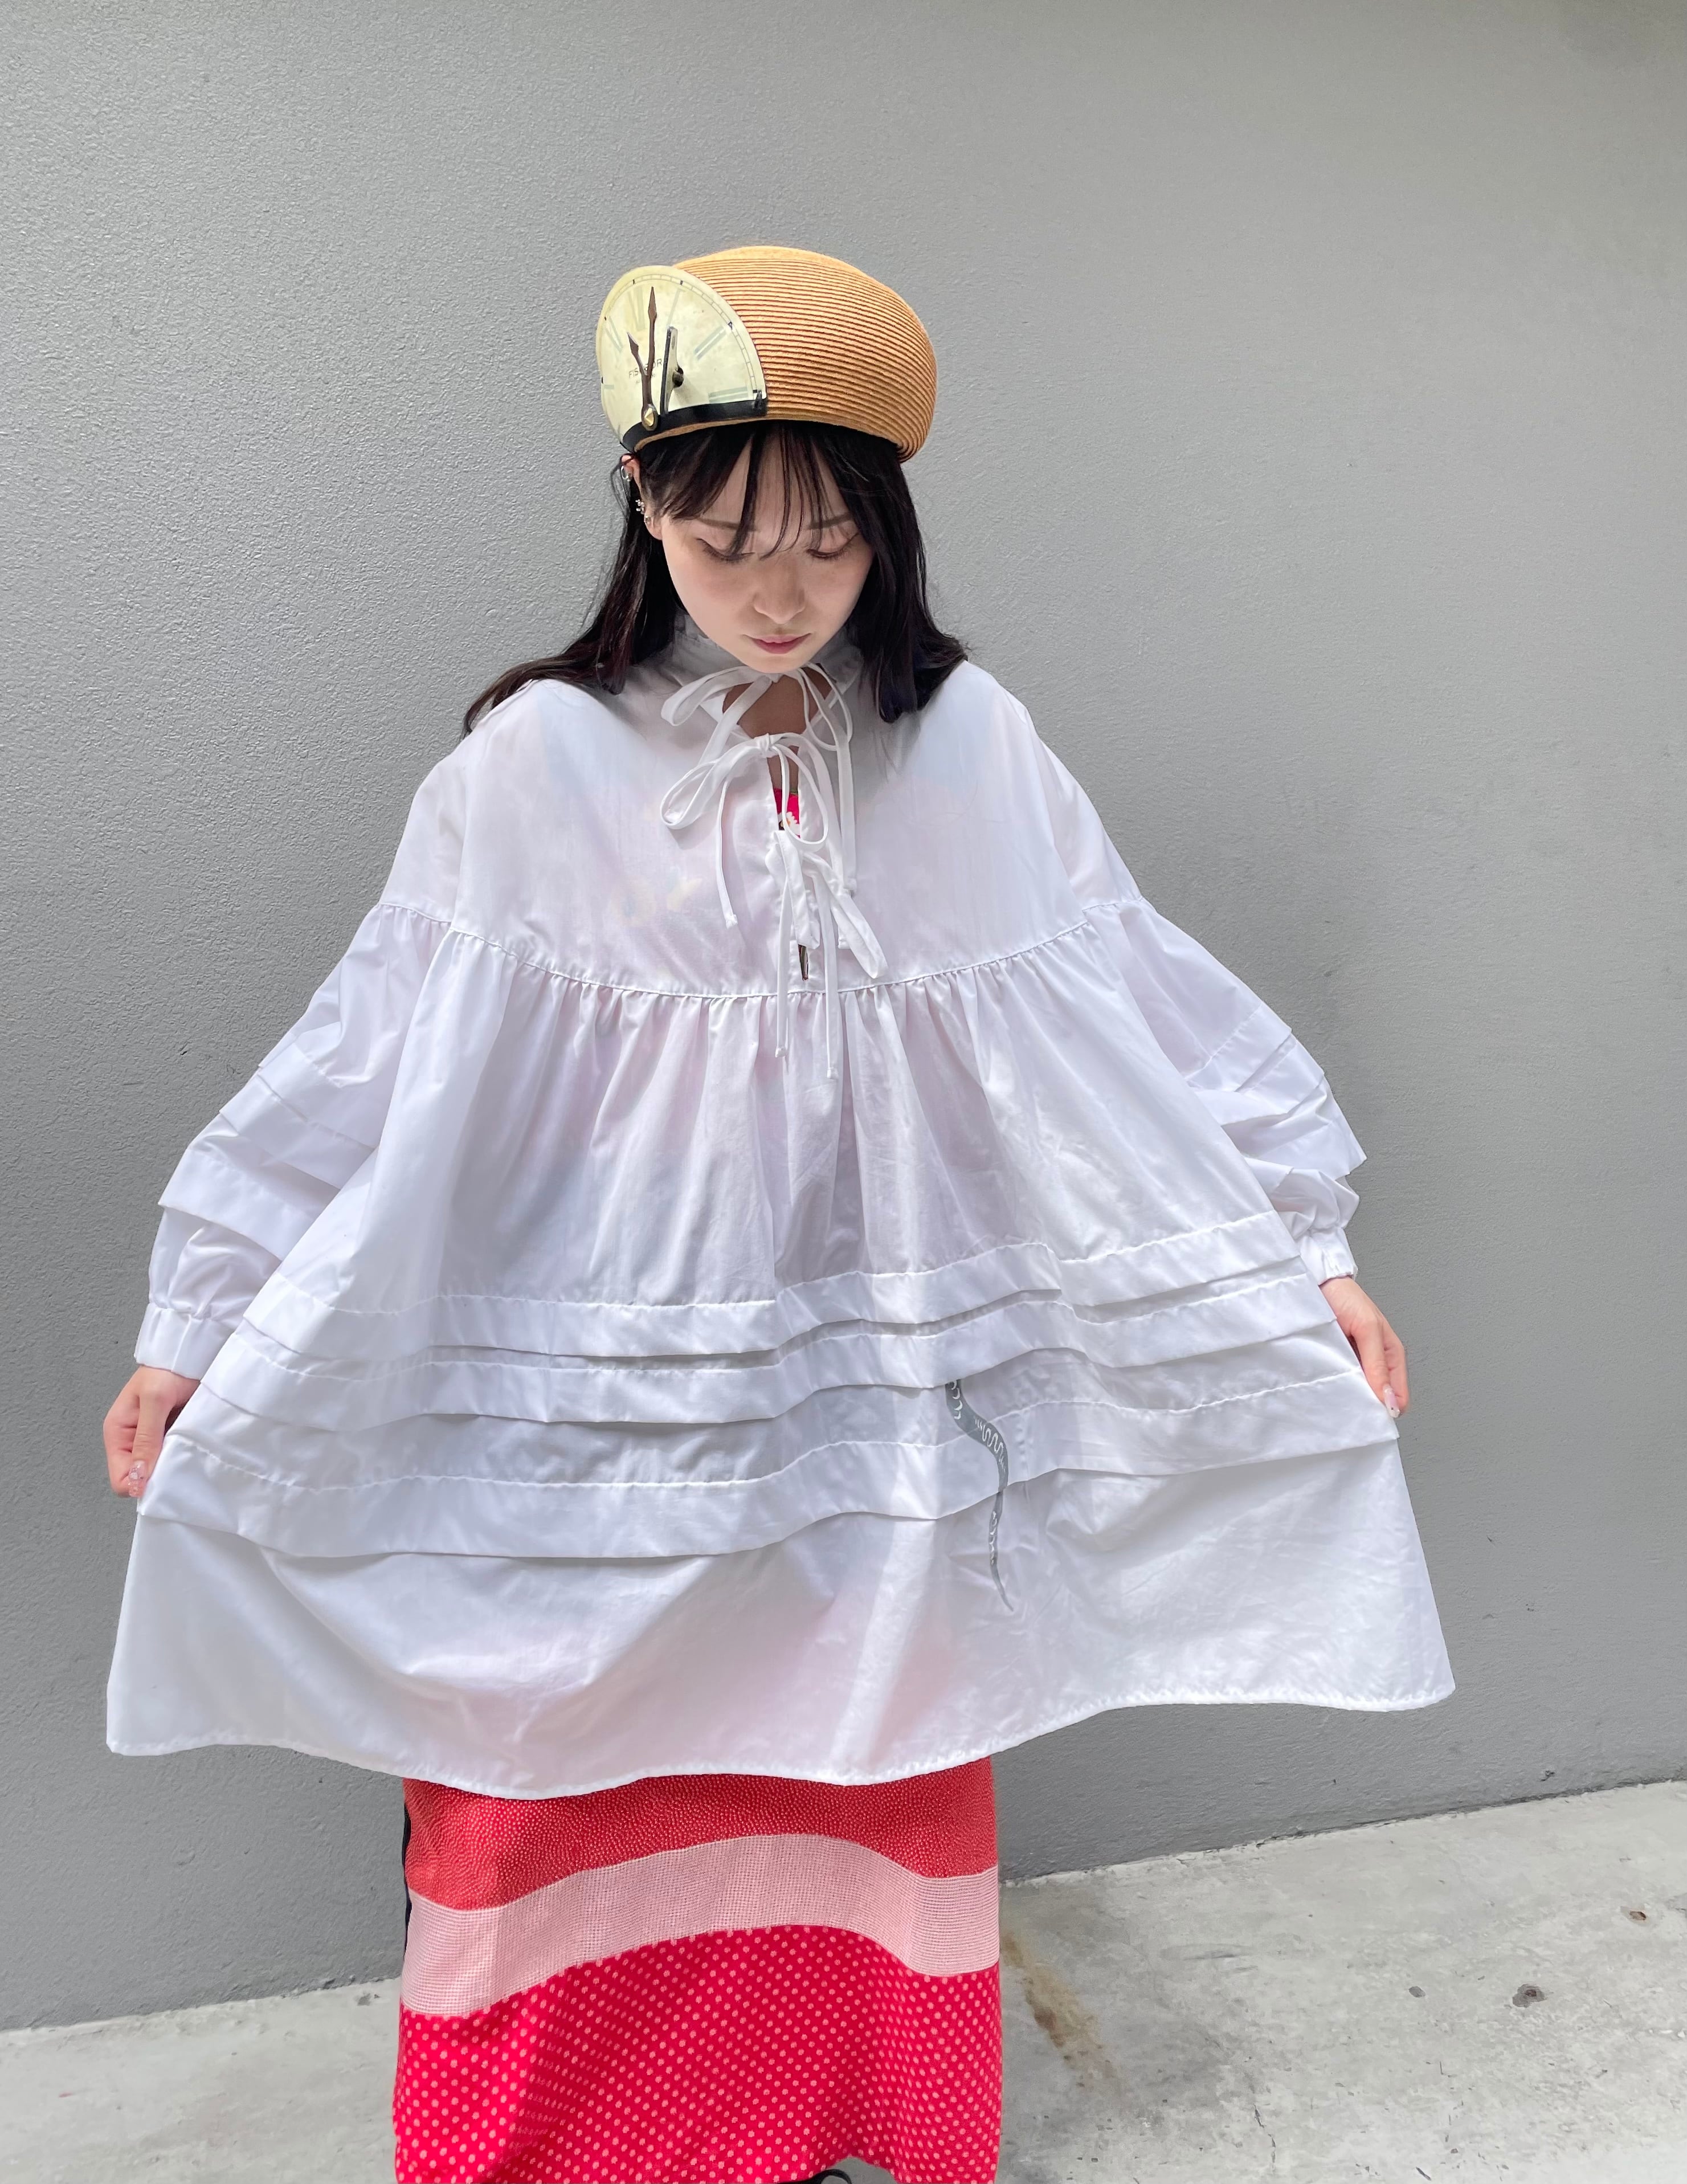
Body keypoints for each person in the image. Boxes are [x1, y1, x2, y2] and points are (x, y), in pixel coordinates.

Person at [103, 245, 1452, 2184]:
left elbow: (1138, 1001)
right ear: (641, 511)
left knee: (881, 1734)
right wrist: (199, 1316)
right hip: (605, 1390)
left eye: (829, 540)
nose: (778, 589)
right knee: (543, 1754)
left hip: (875, 1401)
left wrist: (1302, 1242)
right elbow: (367, 1054)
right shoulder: (530, 767)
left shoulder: (966, 746)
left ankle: (842, 2115)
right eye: (724, 537)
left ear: (888, 533)